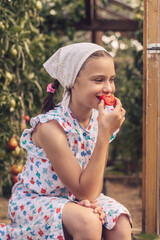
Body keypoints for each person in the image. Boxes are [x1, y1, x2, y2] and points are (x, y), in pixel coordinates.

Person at [0, 42, 132, 240]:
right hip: (36, 201)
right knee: (88, 222)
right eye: (98, 80)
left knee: (119, 223)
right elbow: (85, 191)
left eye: (111, 79)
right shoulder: (51, 128)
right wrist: (104, 135)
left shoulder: (99, 120)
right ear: (72, 81)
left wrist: (89, 202)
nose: (108, 88)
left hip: (77, 197)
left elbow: (92, 189)